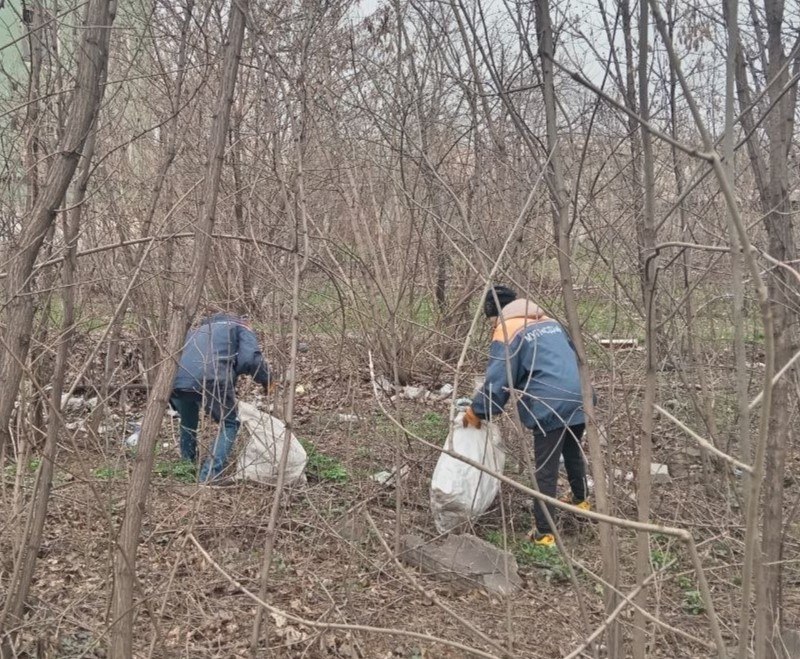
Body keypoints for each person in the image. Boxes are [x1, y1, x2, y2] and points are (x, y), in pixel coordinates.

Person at [463, 285, 591, 546]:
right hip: (581, 394)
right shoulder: (551, 322)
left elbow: (498, 378)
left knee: (546, 468)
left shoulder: (507, 329)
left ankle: (544, 534)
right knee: (572, 449)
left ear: (495, 314)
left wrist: (478, 411)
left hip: (549, 402)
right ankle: (581, 500)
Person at [171, 310, 273, 483]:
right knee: (230, 423)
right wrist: (268, 381)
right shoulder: (241, 327)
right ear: (245, 321)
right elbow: (250, 360)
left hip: (177, 379)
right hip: (213, 379)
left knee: (188, 420)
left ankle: (186, 465)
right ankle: (209, 477)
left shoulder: (196, 330)